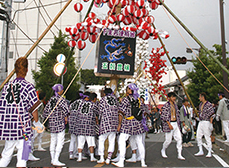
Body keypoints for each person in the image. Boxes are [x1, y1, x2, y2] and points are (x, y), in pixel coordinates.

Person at [0, 57, 42, 167]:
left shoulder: (6, 86)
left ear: (15, 69)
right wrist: (37, 123)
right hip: (24, 129)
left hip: (8, 128)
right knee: (22, 159)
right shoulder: (28, 86)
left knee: (6, 155)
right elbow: (34, 108)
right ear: (27, 70)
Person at [112, 83, 147, 167]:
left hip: (127, 123)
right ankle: (143, 162)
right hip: (137, 123)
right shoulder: (139, 100)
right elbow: (143, 111)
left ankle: (121, 161)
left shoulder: (125, 99)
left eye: (127, 89)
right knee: (139, 142)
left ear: (129, 90)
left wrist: (119, 124)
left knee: (121, 141)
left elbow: (121, 112)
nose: (126, 90)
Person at [43, 84, 69, 166]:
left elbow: (45, 112)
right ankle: (56, 159)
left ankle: (52, 158)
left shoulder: (51, 99)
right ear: (59, 90)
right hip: (59, 123)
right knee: (60, 141)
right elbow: (66, 110)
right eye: (62, 89)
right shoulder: (61, 99)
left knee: (53, 141)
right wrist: (65, 116)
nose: (63, 90)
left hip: (52, 123)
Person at [160, 92, 185, 160]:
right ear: (169, 98)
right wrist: (169, 124)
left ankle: (179, 154)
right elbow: (163, 116)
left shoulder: (175, 105)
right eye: (173, 97)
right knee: (168, 140)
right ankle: (163, 149)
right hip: (169, 123)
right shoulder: (166, 105)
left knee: (179, 139)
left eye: (174, 97)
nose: (174, 98)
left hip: (175, 123)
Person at [97, 88, 119, 165]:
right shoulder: (115, 99)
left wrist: (99, 119)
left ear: (104, 93)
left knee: (101, 139)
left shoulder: (103, 100)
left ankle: (102, 157)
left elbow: (100, 110)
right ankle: (109, 158)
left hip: (105, 122)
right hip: (114, 122)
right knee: (112, 140)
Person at [75, 92, 98, 162]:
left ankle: (79, 157)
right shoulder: (92, 105)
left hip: (81, 125)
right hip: (89, 125)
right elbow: (98, 112)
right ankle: (92, 157)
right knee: (91, 142)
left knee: (80, 142)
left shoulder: (80, 104)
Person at [194, 92, 214, 158]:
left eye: (200, 97)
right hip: (201, 121)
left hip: (206, 121)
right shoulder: (200, 104)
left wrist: (211, 123)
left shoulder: (209, 104)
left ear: (203, 97)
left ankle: (209, 151)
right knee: (198, 136)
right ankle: (200, 150)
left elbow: (212, 114)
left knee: (207, 136)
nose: (199, 98)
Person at [68, 92, 82, 160]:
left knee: (72, 139)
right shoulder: (82, 103)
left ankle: (71, 154)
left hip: (71, 121)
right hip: (78, 121)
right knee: (79, 139)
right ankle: (77, 153)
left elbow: (69, 111)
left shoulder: (73, 103)